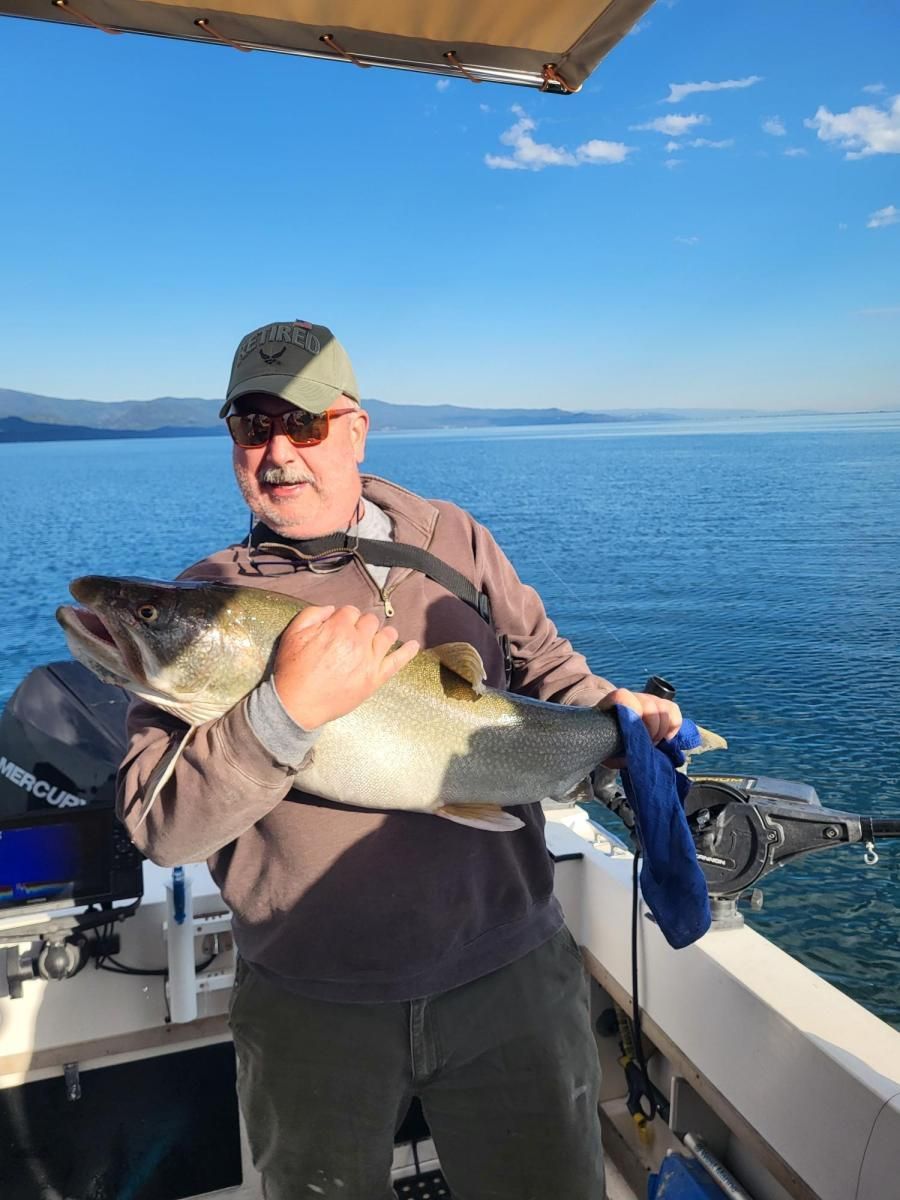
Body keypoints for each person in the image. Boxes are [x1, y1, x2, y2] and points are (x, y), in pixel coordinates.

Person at [117, 319, 682, 1200]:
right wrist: (283, 710)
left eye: (301, 425)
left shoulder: (450, 538)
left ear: (354, 429)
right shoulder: (208, 606)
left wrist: (618, 716)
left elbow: (548, 669)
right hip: (311, 999)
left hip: (510, 974)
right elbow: (161, 825)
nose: (277, 453)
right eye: (251, 426)